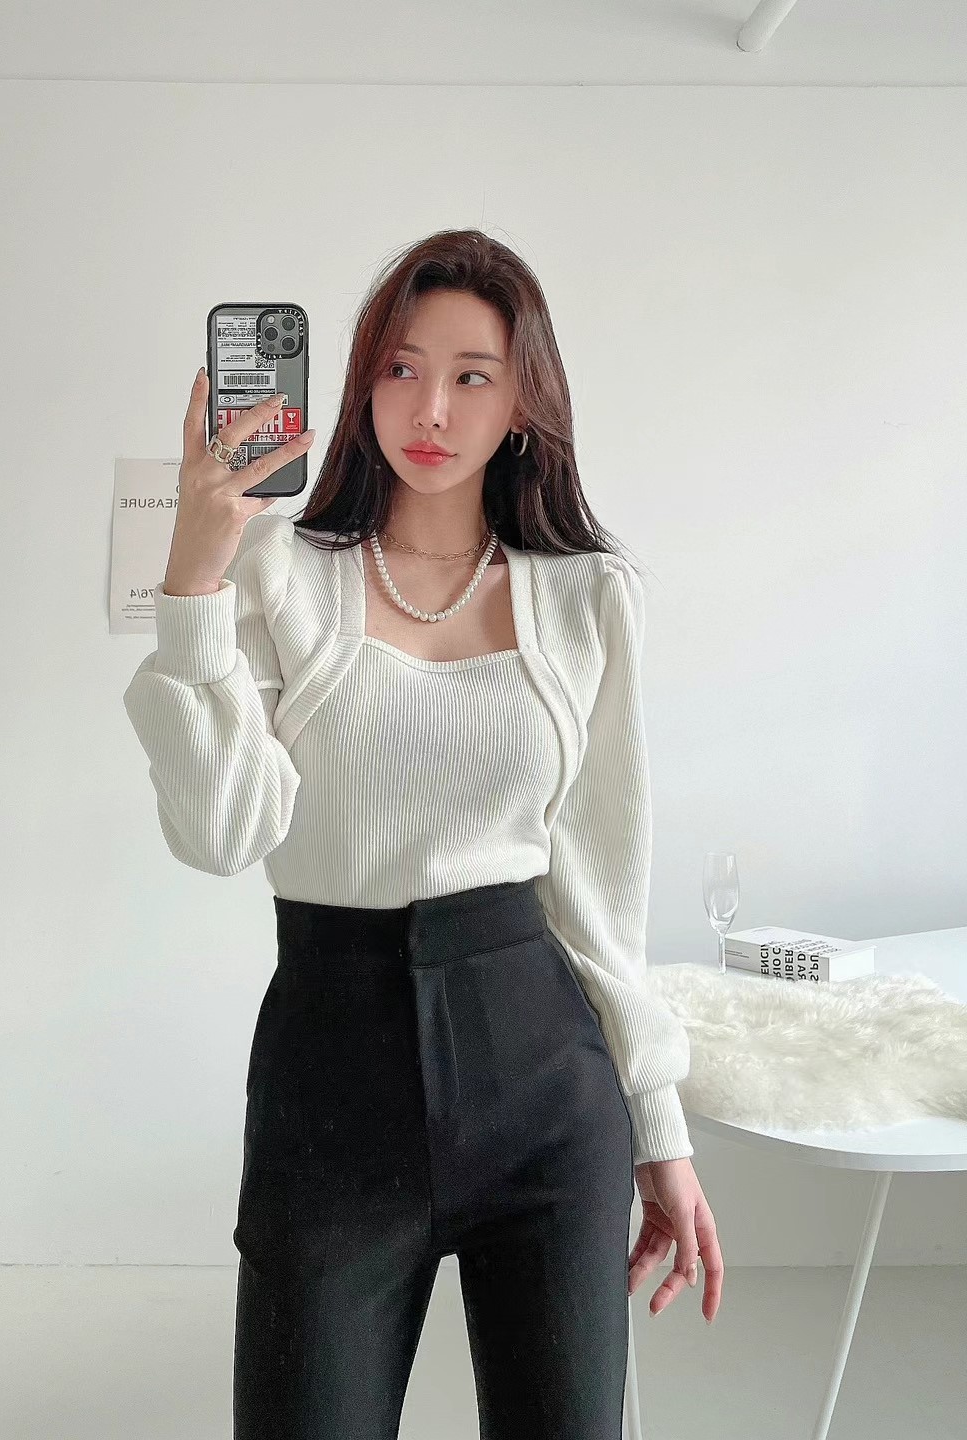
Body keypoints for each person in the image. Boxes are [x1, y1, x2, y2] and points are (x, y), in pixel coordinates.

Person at [123, 228, 724, 1439]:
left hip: (546, 1078)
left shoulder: (588, 597)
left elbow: (600, 890)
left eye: (471, 375)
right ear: (359, 385)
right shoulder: (284, 574)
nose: (431, 409)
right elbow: (221, 831)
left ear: (524, 401)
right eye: (401, 369)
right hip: (330, 1082)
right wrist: (192, 584)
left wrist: (658, 1127)